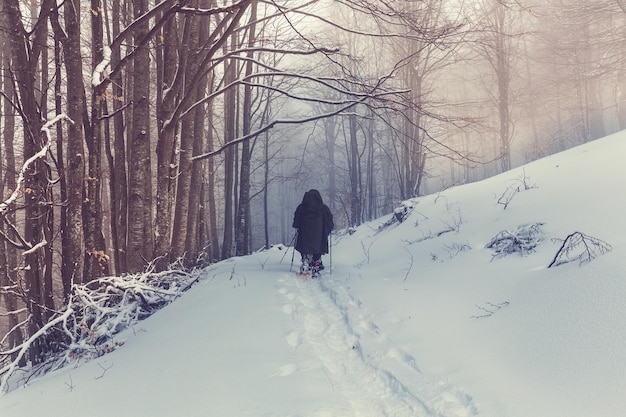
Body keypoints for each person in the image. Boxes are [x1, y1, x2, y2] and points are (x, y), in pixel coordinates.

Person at [292, 189, 334, 277]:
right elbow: (330, 223)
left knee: (303, 244)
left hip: (304, 236)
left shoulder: (301, 208)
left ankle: (305, 260)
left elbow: (295, 224)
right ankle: (316, 264)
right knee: (318, 246)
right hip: (319, 237)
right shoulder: (323, 208)